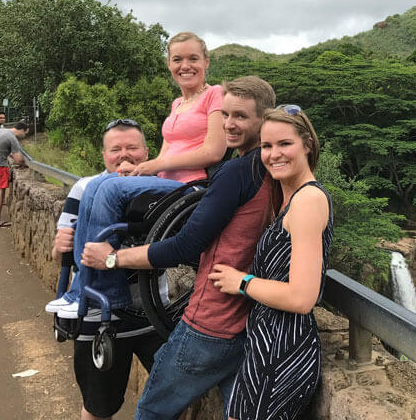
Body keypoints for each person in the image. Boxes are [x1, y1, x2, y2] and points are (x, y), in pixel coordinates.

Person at [80, 76, 277, 420]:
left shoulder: (235, 173)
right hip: (251, 318)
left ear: (265, 119)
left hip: (212, 321)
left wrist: (112, 258)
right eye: (225, 115)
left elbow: (186, 246)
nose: (229, 124)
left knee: (152, 411)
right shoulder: (272, 169)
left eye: (241, 117)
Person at [46, 31, 227, 315]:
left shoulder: (215, 95)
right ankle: (84, 290)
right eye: (177, 59)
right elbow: (166, 157)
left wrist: (151, 167)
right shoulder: (177, 104)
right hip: (165, 184)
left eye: (193, 58)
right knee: (100, 183)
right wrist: (139, 169)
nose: (185, 65)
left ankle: (91, 293)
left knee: (107, 188)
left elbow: (214, 151)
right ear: (169, 64)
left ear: (206, 61)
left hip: (192, 189)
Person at [209, 105, 333, 420]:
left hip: (283, 351)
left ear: (307, 144)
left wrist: (242, 282)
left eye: (284, 144)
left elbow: (302, 298)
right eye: (267, 146)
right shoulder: (288, 200)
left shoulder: (308, 201)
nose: (274, 153)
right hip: (266, 344)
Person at [53, 119, 167, 420]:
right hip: (99, 319)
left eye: (132, 147)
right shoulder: (84, 188)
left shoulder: (161, 187)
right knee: (98, 405)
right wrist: (62, 243)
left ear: (146, 151)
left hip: (154, 313)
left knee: (170, 400)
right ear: (104, 155)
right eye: (115, 149)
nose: (124, 155)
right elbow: (59, 255)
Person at [0, 120, 28, 227]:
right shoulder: (12, 138)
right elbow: (18, 159)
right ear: (21, 130)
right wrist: (25, 163)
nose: (24, 135)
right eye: (25, 133)